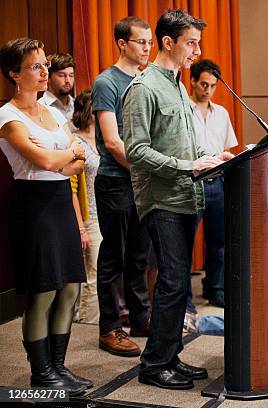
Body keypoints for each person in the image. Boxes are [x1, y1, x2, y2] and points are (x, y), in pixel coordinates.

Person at [123, 9, 231, 390]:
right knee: (171, 280)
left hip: (188, 195)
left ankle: (170, 356)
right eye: (191, 42)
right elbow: (135, 151)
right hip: (163, 198)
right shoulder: (143, 88)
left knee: (179, 281)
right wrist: (188, 166)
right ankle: (153, 366)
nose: (196, 50)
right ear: (168, 42)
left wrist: (214, 157)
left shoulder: (179, 87)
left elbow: (191, 142)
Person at [0, 37, 90, 395]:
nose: (44, 72)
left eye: (44, 65)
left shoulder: (53, 113)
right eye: (35, 66)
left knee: (69, 287)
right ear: (13, 74)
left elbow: (82, 160)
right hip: (33, 206)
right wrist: (69, 153)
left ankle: (58, 367)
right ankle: (41, 374)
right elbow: (48, 161)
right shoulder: (7, 116)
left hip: (59, 202)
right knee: (43, 291)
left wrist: (67, 155)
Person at [92, 16, 153, 357]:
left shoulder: (146, 80)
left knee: (139, 255)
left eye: (149, 42)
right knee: (114, 256)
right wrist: (147, 170)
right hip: (116, 181)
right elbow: (113, 143)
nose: (147, 48)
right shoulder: (107, 82)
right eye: (141, 42)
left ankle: (140, 319)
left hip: (141, 181)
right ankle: (110, 327)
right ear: (122, 44)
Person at [188, 59, 238, 313]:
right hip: (192, 182)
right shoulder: (183, 110)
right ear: (193, 81)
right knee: (185, 241)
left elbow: (228, 148)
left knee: (219, 241)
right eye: (204, 84)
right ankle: (183, 295)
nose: (208, 89)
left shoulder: (222, 113)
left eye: (212, 85)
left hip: (217, 182)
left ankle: (214, 288)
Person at [70, 89, 101, 324]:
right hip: (89, 215)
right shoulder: (75, 142)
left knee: (104, 273)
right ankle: (87, 322)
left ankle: (97, 319)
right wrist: (80, 226)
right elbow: (71, 187)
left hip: (108, 212)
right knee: (93, 274)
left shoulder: (105, 138)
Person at [38, 52, 75, 127]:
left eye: (71, 75)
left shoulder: (77, 105)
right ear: (48, 78)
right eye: (61, 75)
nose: (68, 80)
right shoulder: (39, 108)